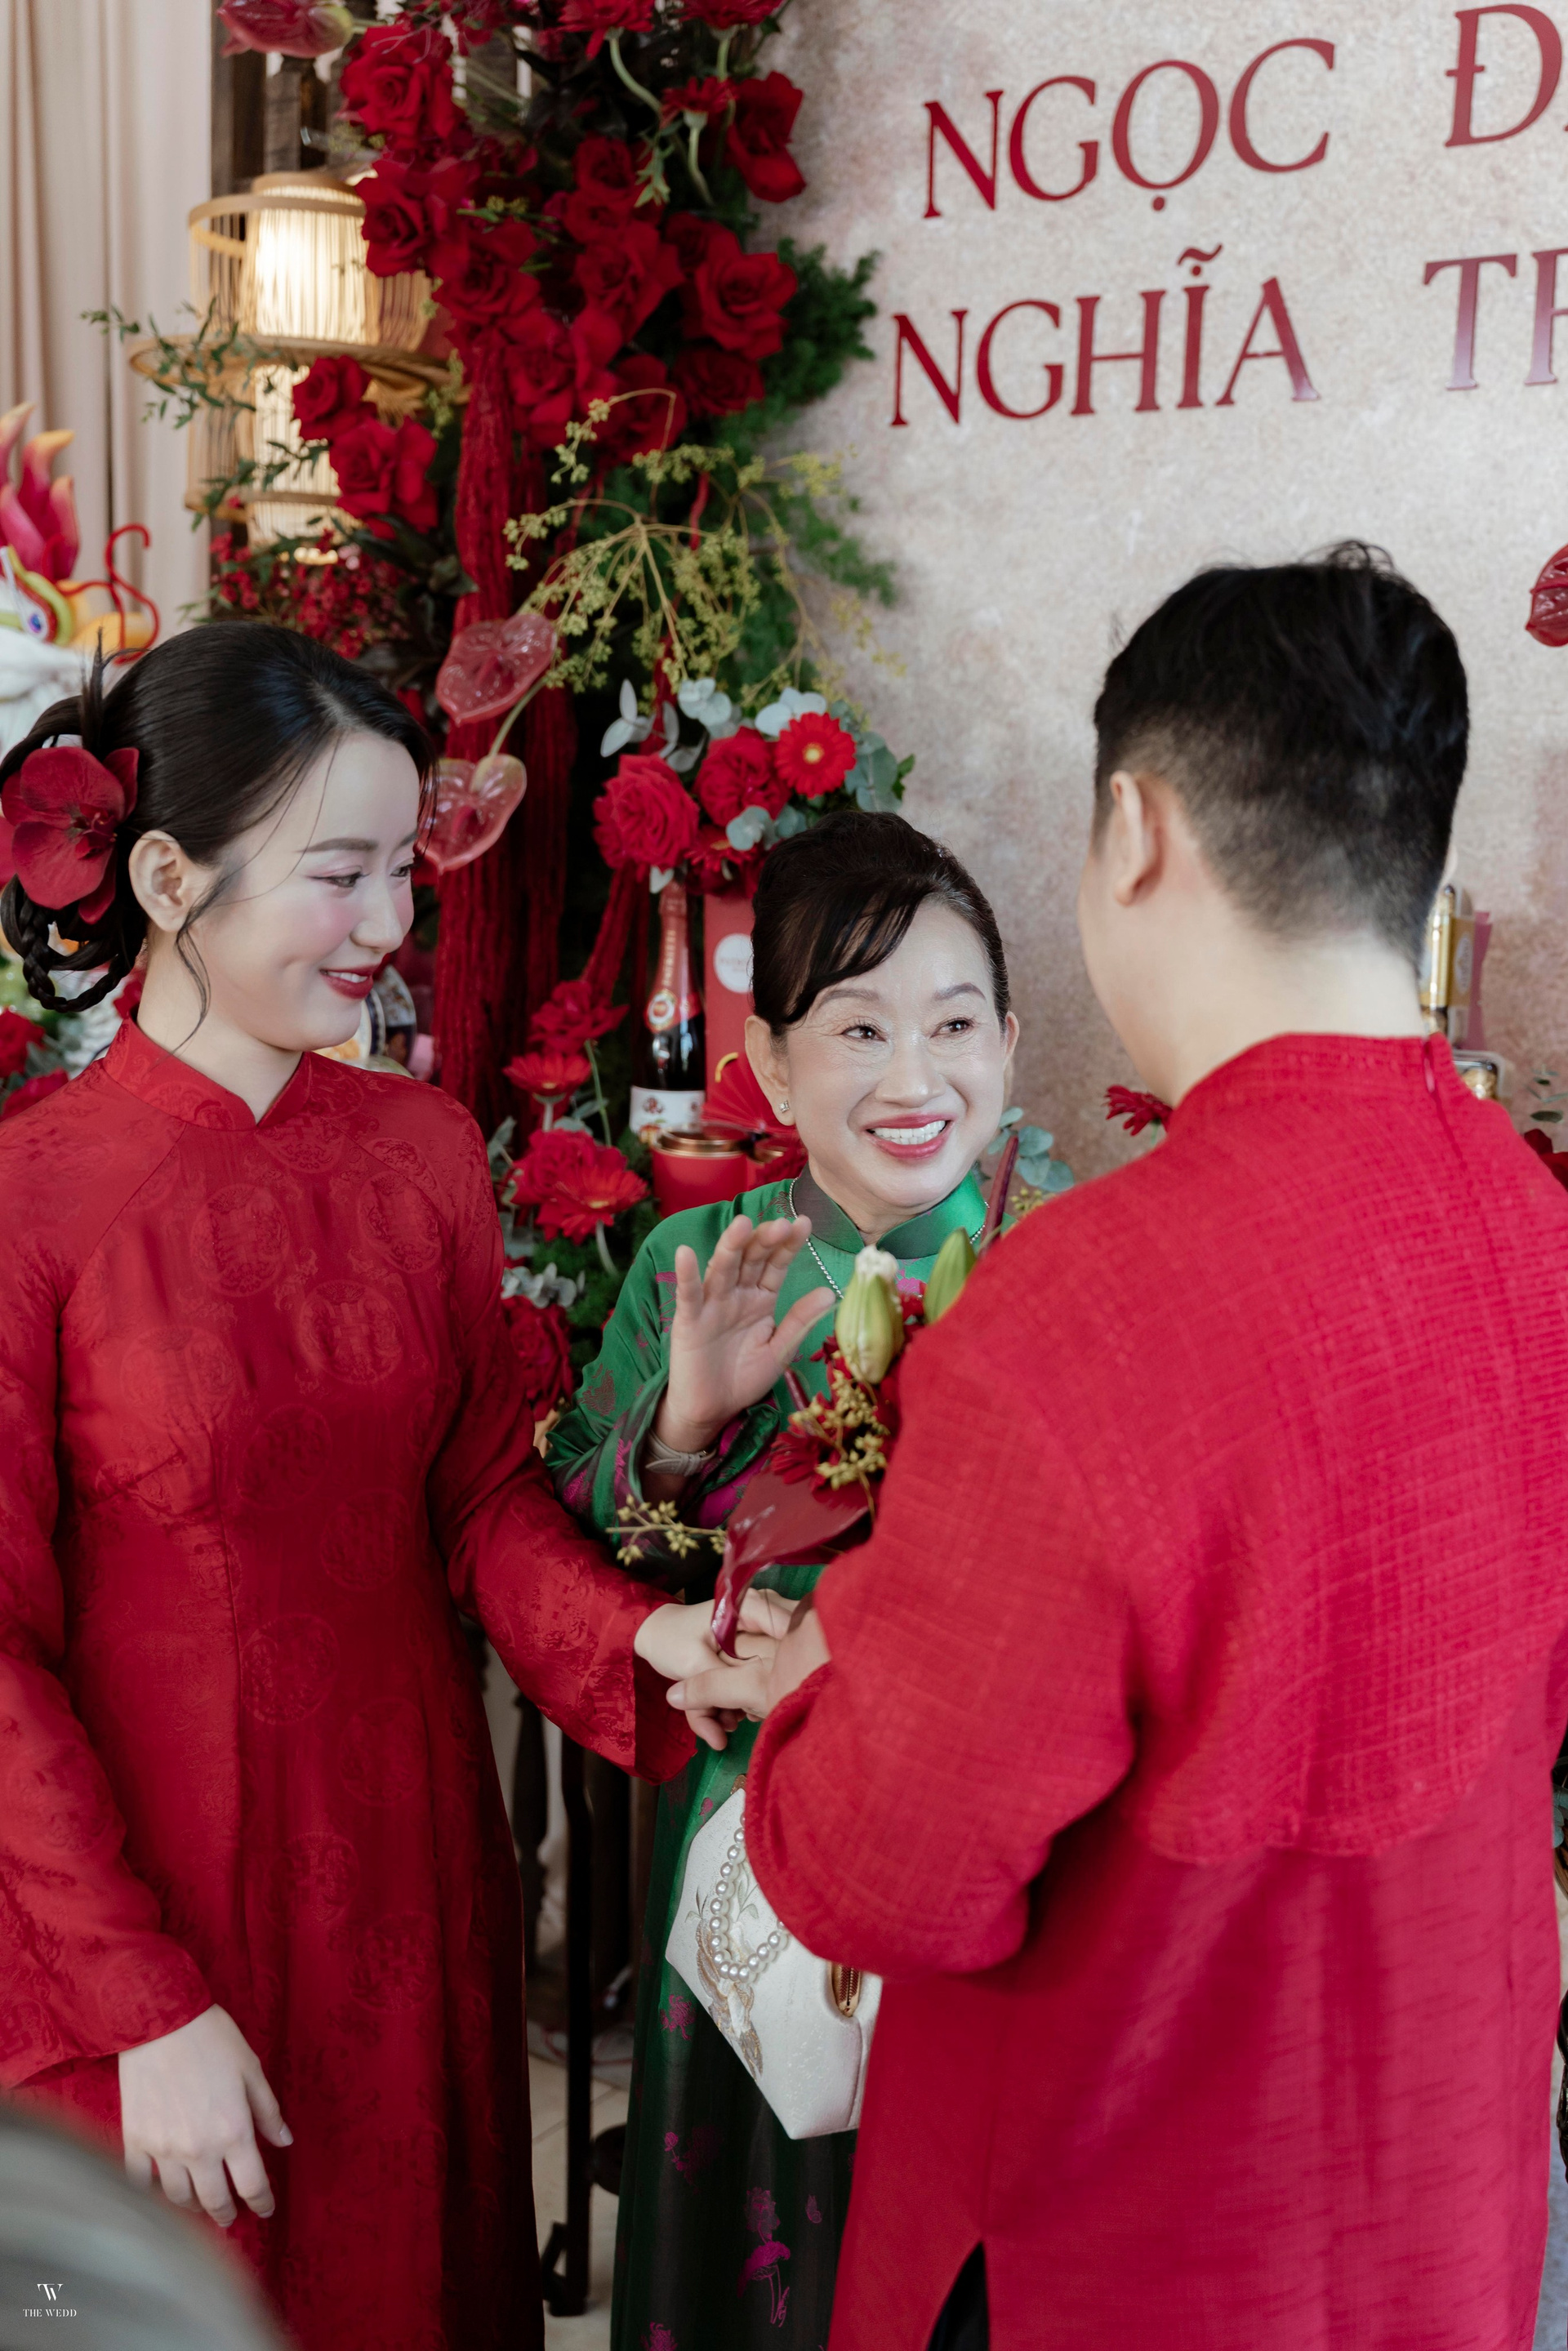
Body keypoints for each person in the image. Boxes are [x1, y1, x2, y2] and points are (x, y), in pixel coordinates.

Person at [679, 546, 1568, 2349]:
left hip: (1124, 2228)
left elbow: (887, 1878)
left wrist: (822, 1671)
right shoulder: (1533, 1225)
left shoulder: (1073, 1312)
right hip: (1441, 2189)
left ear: (1138, 832)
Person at [0, 626, 778, 2351]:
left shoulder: (420, 1156)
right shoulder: (31, 1200)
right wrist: (141, 2008)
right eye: (338, 873)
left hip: (409, 1882)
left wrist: (641, 1638)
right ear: (166, 878)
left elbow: (474, 1496)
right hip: (146, 1908)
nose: (388, 924)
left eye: (400, 872)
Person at [548, 809, 1019, 2351]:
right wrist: (683, 1425)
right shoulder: (702, 1264)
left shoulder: (1061, 1262)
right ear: (768, 1061)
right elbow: (601, 1553)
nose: (914, 1079)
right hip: (750, 1839)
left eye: (955, 1025)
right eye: (860, 1029)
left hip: (985, 1846)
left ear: (1010, 1044)